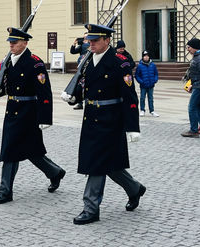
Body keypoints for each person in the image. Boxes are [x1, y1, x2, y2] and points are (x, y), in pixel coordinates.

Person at [61, 23, 145, 225]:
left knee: (96, 164)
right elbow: (85, 86)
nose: (91, 44)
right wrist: (75, 98)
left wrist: (132, 127)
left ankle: (90, 208)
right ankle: (134, 189)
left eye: (95, 40)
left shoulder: (120, 63)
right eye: (89, 40)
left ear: (107, 41)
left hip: (111, 120)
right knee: (111, 165)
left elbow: (130, 97)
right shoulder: (87, 60)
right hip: (90, 117)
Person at [0, 27, 66, 205]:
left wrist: (45, 117)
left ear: (25, 43)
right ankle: (55, 172)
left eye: (15, 42)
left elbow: (44, 92)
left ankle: (5, 191)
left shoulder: (34, 62)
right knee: (29, 151)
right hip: (12, 110)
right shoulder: (8, 61)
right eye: (10, 42)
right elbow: (6, 84)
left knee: (13, 151)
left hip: (29, 112)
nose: (12, 45)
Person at [134, 50, 159, 117]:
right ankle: (142, 110)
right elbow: (137, 75)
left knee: (150, 98)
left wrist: (155, 80)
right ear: (143, 57)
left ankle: (152, 110)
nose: (146, 57)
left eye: (147, 56)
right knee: (142, 98)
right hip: (143, 85)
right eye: (145, 56)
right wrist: (141, 82)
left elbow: (156, 74)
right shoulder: (140, 66)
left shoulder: (153, 65)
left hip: (151, 84)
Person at [70, 34, 89, 109]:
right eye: (84, 37)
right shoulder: (81, 45)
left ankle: (88, 101)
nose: (85, 38)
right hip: (81, 67)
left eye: (86, 36)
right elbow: (73, 51)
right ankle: (79, 103)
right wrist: (74, 44)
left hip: (89, 66)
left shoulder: (91, 44)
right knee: (79, 86)